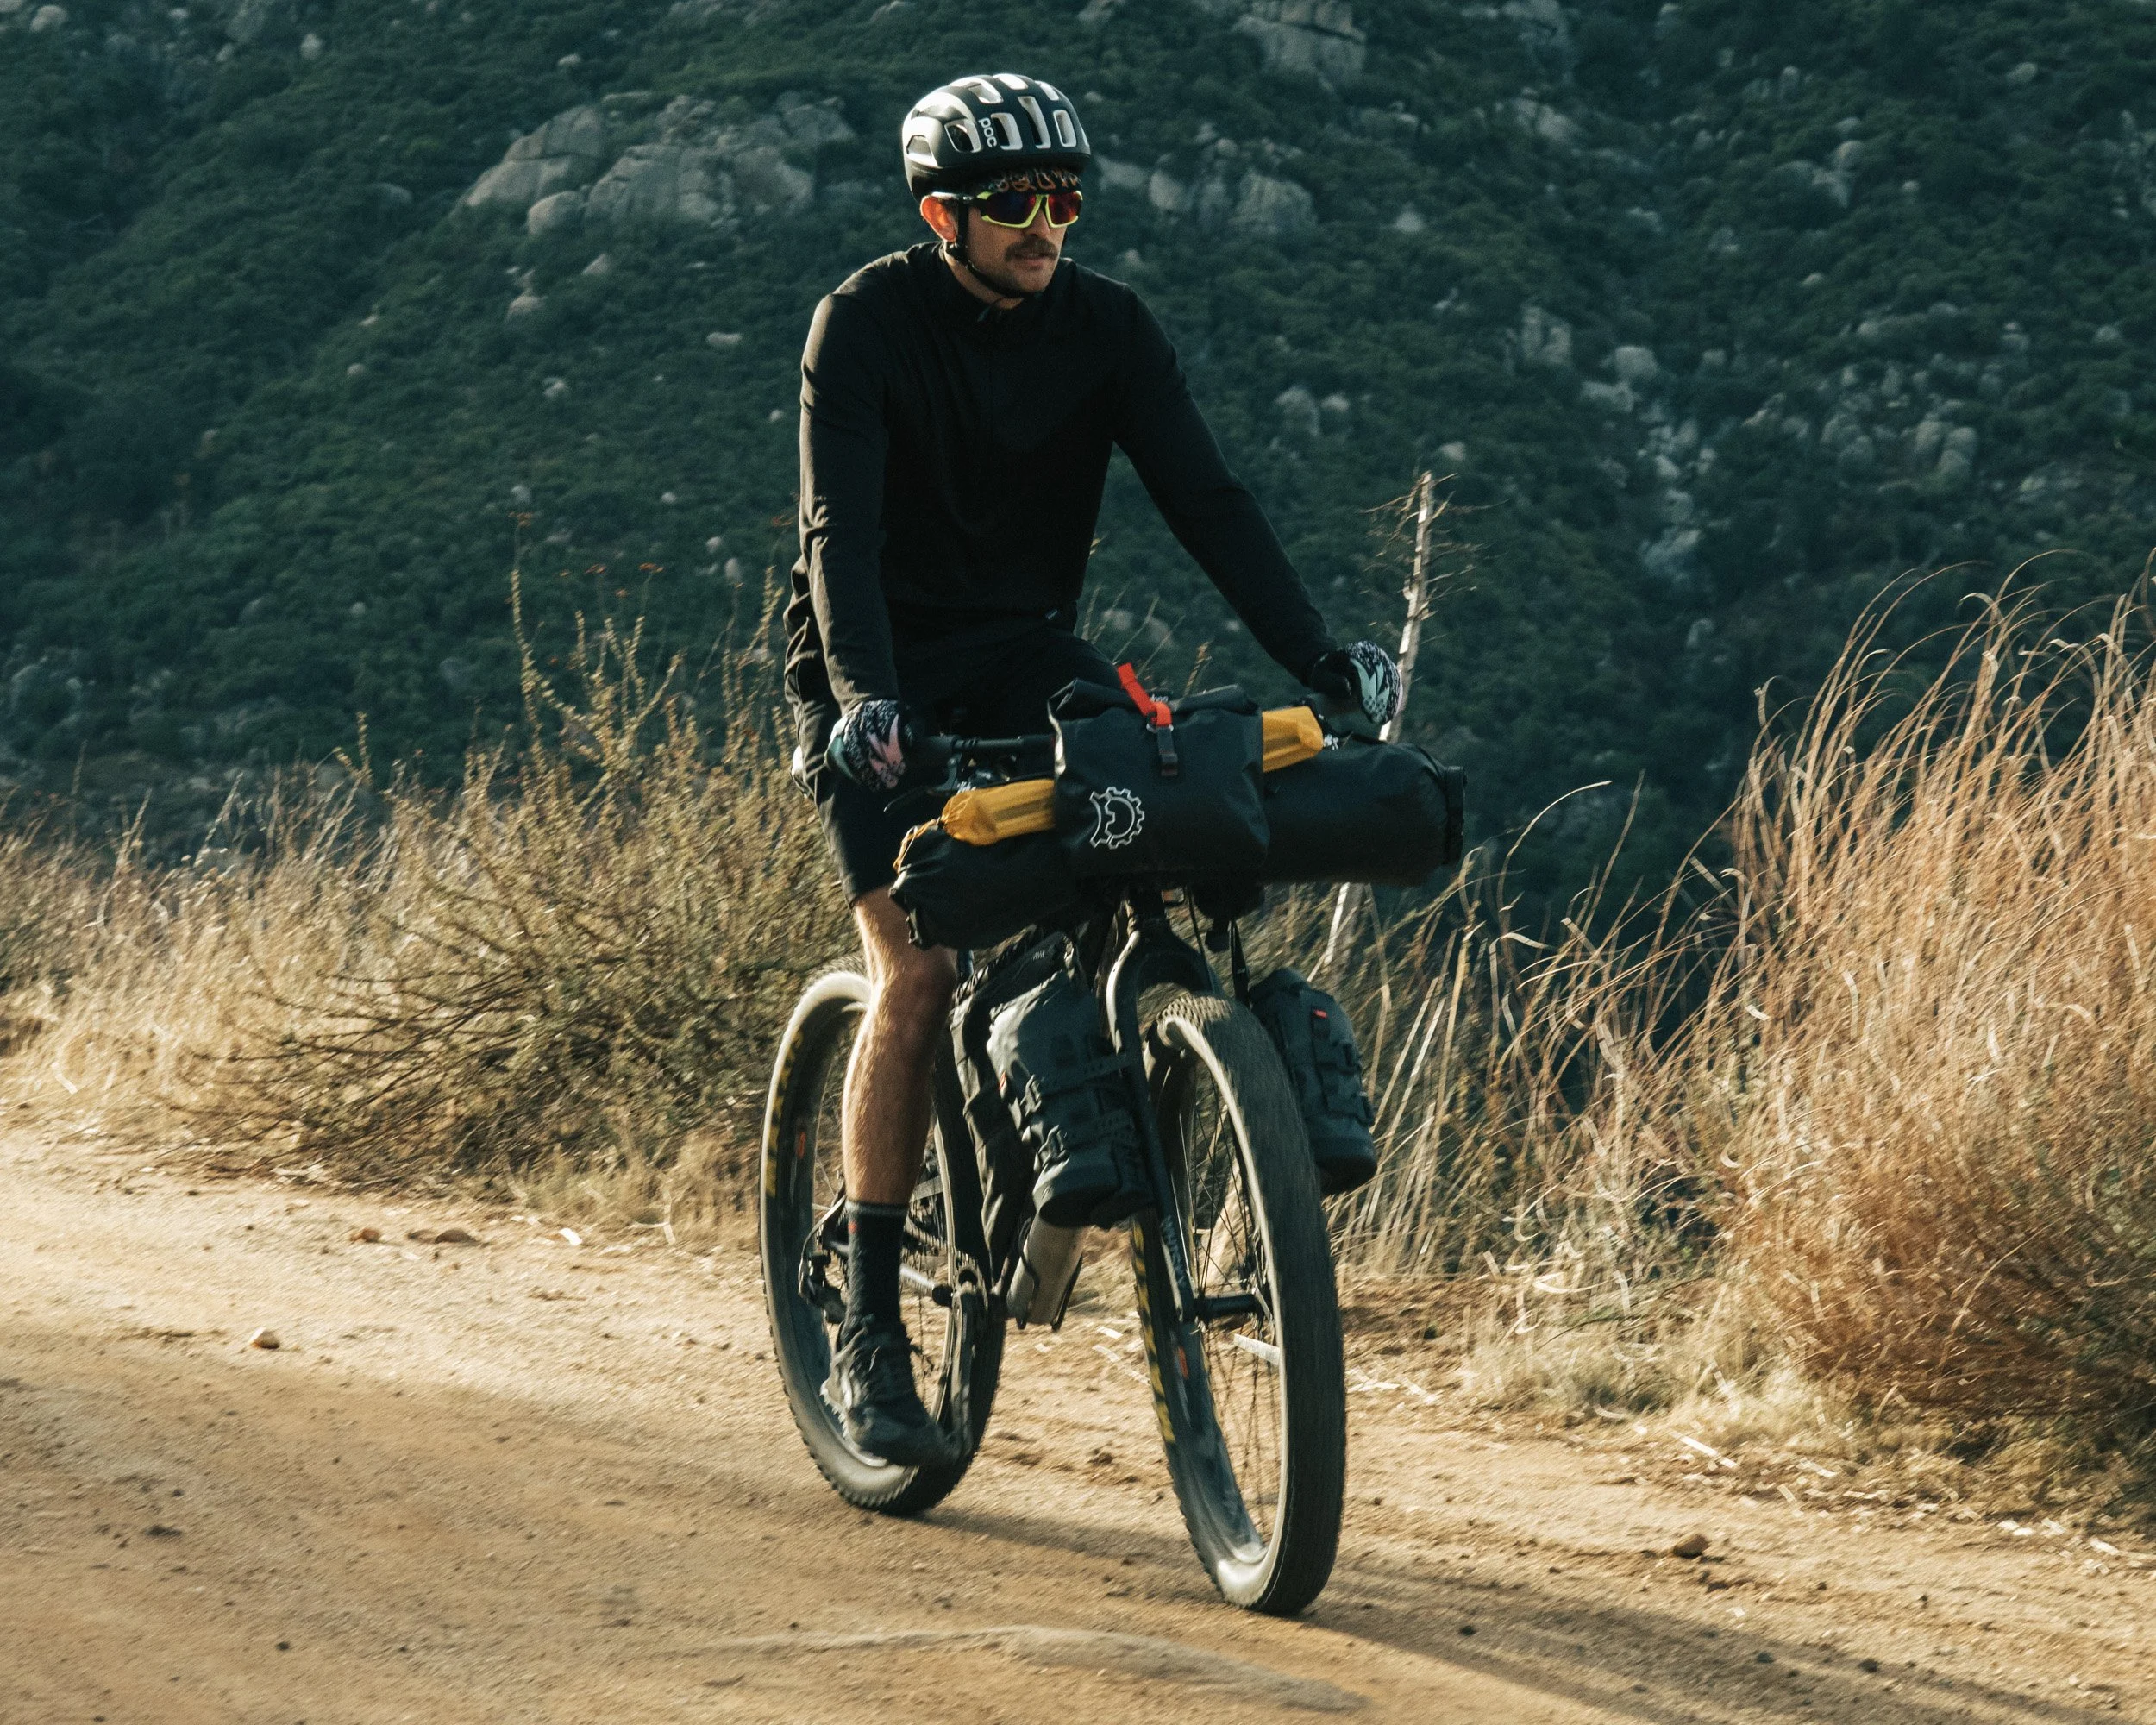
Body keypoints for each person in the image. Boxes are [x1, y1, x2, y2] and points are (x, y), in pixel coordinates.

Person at [784, 72, 1402, 1465]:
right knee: (918, 970)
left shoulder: (1108, 330)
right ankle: (877, 1318)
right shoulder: (864, 327)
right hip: (871, 667)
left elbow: (1208, 500)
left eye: (1063, 197)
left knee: (1155, 821)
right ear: (941, 211)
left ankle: (1103, 1098)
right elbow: (837, 534)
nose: (1044, 223)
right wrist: (870, 700)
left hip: (1022, 651)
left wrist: (1318, 658)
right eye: (1014, 201)